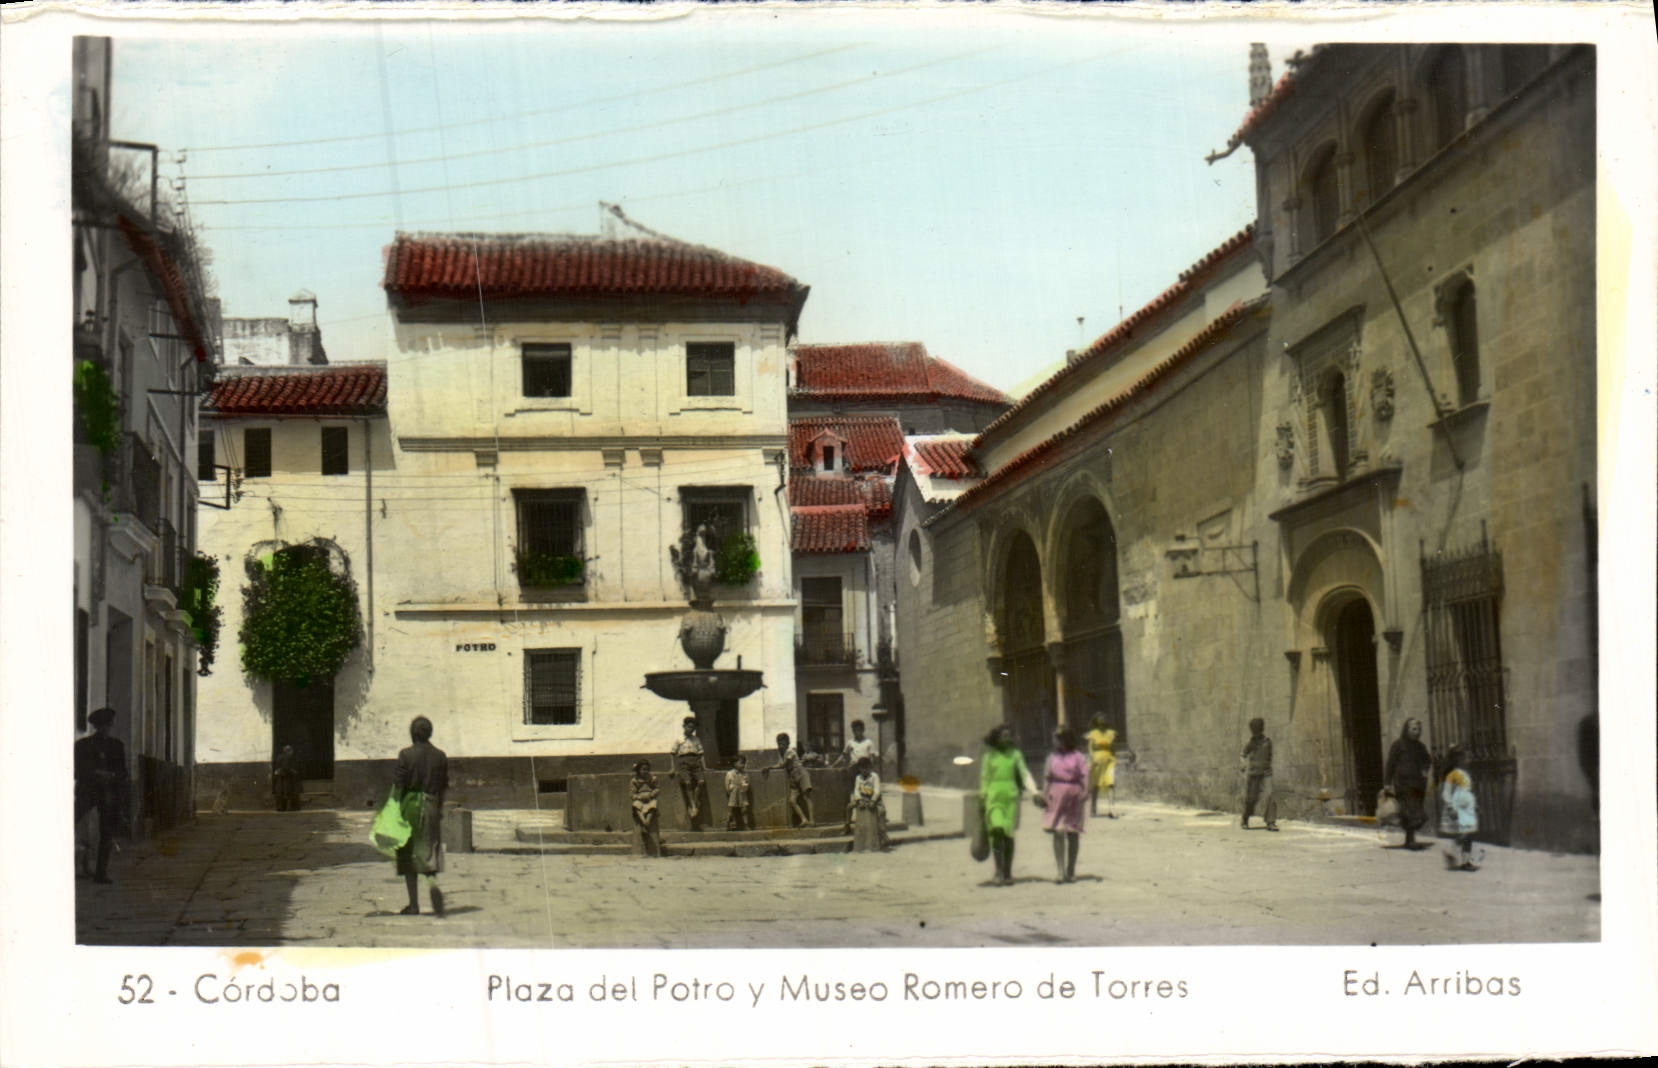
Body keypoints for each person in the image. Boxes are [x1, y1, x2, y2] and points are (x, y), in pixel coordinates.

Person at [392, 715, 448, 916]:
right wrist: (438, 809)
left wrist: (393, 811)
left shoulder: (406, 755)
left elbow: (399, 786)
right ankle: (432, 884)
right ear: (430, 733)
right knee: (429, 849)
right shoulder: (440, 756)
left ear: (412, 734)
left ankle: (414, 904)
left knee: (408, 855)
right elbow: (443, 786)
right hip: (432, 805)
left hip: (410, 807)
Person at [74, 707, 128, 884]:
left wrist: (111, 776)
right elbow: (77, 771)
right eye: (103, 725)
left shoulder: (117, 745)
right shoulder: (82, 745)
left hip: (108, 794)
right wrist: (96, 774)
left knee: (107, 832)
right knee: (70, 823)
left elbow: (123, 772)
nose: (106, 728)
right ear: (97, 726)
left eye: (108, 724)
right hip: (87, 791)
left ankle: (101, 873)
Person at [979, 723, 1038, 887]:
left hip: (1011, 798)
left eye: (1009, 736)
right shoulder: (988, 756)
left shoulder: (1015, 754)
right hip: (993, 797)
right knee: (996, 831)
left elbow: (1024, 773)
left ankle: (1007, 871)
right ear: (996, 738)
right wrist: (983, 797)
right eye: (1004, 736)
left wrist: (1034, 791)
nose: (1007, 739)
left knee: (1008, 834)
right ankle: (998, 869)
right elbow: (985, 778)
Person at [1041, 726, 1090, 883]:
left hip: (1073, 796)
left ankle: (1071, 870)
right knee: (1058, 832)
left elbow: (1085, 775)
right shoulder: (1052, 757)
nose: (1054, 741)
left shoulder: (1078, 757)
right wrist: (1044, 794)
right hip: (1056, 795)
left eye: (1056, 738)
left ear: (1065, 739)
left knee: (1073, 833)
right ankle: (1060, 871)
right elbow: (1047, 777)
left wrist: (1085, 791)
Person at [1382, 718, 1432, 850]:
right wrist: (1387, 783)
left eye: (1419, 729)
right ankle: (1410, 840)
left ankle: (1409, 838)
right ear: (1407, 729)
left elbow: (1427, 759)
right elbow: (1390, 764)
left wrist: (1425, 770)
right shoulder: (1398, 745)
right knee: (1410, 811)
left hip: (1418, 784)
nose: (1417, 732)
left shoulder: (1420, 747)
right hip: (1403, 784)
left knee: (1414, 811)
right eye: (1413, 729)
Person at [1440, 745, 1480, 871]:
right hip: (1458, 809)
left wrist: (1475, 803)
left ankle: (1465, 861)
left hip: (1467, 808)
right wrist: (1451, 807)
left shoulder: (1468, 773)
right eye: (1467, 757)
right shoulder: (1453, 775)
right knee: (1464, 834)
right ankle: (1452, 853)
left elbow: (1469, 792)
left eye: (1470, 757)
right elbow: (1446, 792)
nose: (1470, 759)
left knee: (1469, 835)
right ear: (1458, 759)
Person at [763, 732, 814, 827]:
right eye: (779, 743)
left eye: (783, 743)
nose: (781, 746)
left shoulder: (790, 751)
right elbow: (780, 764)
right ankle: (804, 819)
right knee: (792, 800)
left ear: (788, 743)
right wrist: (769, 767)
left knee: (806, 797)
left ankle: (812, 820)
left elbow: (784, 764)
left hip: (800, 773)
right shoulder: (781, 753)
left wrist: (771, 767)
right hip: (792, 776)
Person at [668, 715, 708, 830]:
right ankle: (693, 805)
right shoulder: (679, 739)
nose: (691, 729)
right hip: (683, 762)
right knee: (688, 782)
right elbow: (672, 753)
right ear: (684, 726)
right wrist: (672, 768)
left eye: (693, 728)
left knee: (701, 782)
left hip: (695, 762)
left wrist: (704, 766)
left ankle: (695, 801)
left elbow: (701, 754)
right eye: (689, 727)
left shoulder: (696, 739)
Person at [1240, 717, 1279, 831]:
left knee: (1270, 795)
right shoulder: (1250, 743)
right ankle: (1245, 818)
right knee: (1251, 799)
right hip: (1254, 774)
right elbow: (1243, 754)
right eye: (1254, 730)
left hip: (1266, 772)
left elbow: (1269, 756)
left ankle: (1271, 822)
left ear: (1261, 729)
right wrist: (1243, 764)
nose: (1256, 732)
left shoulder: (1268, 741)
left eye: (1258, 729)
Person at [848, 757, 886, 852]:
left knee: (881, 812)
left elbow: (877, 790)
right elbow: (856, 790)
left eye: (866, 768)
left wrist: (873, 800)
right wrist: (859, 799)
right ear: (859, 769)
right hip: (862, 798)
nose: (864, 770)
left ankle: (881, 836)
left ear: (870, 768)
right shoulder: (858, 778)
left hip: (873, 799)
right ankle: (847, 827)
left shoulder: (874, 776)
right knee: (849, 807)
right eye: (862, 768)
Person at [1084, 714, 1118, 819]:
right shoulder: (1092, 734)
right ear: (1096, 722)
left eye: (1104, 719)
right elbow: (1090, 749)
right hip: (1097, 761)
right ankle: (1093, 809)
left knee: (1111, 783)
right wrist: (1092, 760)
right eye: (1100, 719)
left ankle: (1111, 809)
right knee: (1096, 785)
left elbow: (1113, 747)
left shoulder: (1111, 733)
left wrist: (1114, 758)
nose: (1102, 721)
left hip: (1109, 761)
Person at [630, 760, 663, 857]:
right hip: (640, 799)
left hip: (649, 798)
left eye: (647, 769)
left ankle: (647, 820)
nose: (646, 771)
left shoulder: (652, 778)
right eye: (643, 769)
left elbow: (657, 789)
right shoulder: (634, 780)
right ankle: (643, 820)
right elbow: (632, 794)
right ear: (638, 770)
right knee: (636, 806)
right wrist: (639, 797)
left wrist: (651, 794)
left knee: (653, 805)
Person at [724, 755, 754, 832]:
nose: (743, 765)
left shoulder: (745, 774)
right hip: (733, 794)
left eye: (744, 763)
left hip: (742, 793)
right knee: (731, 810)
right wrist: (731, 791)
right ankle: (730, 825)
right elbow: (727, 785)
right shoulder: (729, 774)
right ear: (734, 764)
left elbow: (747, 783)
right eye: (741, 763)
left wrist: (744, 787)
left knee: (744, 810)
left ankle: (746, 825)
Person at [271, 744, 302, 812]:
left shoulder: (279, 757)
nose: (292, 753)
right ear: (288, 751)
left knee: (280, 793)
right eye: (291, 751)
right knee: (288, 793)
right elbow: (285, 767)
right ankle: (290, 807)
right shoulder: (287, 757)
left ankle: (281, 807)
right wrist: (293, 771)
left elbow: (277, 767)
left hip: (280, 777)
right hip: (286, 778)